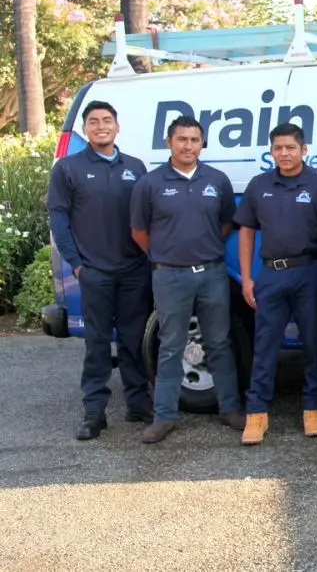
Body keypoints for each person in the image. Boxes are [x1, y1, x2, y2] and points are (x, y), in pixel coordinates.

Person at [129, 115, 245, 443]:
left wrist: (202, 250)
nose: (189, 146)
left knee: (219, 343)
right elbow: (139, 232)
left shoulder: (217, 180)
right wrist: (167, 255)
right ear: (169, 142)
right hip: (169, 277)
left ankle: (230, 408)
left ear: (201, 144)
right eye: (182, 139)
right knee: (171, 346)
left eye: (195, 140)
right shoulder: (150, 184)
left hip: (211, 274)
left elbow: (225, 223)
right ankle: (164, 416)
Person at [46, 100, 153, 440]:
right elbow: (59, 219)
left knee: (134, 340)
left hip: (134, 270)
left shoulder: (135, 167)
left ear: (117, 127)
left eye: (107, 120)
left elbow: (150, 217)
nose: (101, 126)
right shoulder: (68, 169)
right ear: (86, 129)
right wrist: (77, 264)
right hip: (94, 272)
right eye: (94, 122)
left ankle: (138, 403)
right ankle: (95, 412)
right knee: (96, 344)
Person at [234, 123, 317, 445]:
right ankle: (256, 414)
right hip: (270, 274)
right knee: (265, 346)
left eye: (290, 148)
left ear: (303, 150)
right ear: (271, 151)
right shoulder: (259, 185)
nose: (284, 153)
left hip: (310, 272)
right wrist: (247, 279)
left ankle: (313, 409)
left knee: (313, 344)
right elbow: (247, 231)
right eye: (278, 148)